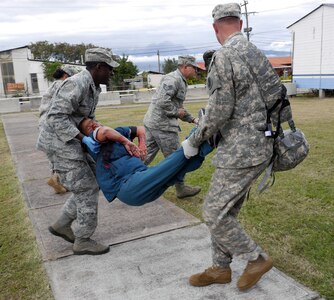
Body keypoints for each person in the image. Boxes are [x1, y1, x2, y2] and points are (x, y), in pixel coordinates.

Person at [182, 3, 292, 291]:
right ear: (240, 24)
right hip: (263, 143)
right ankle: (220, 268)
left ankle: (255, 258)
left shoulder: (224, 56)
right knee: (226, 210)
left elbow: (219, 111)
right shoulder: (256, 54)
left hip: (242, 150)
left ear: (216, 28)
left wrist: (193, 141)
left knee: (213, 212)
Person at [36, 47, 121, 255]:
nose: (112, 73)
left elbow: (79, 115)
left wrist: (96, 130)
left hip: (71, 140)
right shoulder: (77, 83)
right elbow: (55, 117)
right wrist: (83, 139)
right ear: (99, 67)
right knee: (87, 188)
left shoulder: (93, 86)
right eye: (110, 69)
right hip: (59, 142)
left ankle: (62, 224)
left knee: (96, 180)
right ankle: (83, 239)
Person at [79, 118, 213, 206]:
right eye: (90, 128)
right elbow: (104, 131)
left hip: (142, 177)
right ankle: (198, 132)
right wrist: (126, 141)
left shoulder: (118, 132)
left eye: (93, 121)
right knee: (169, 164)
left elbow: (140, 129)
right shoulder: (94, 144)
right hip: (128, 187)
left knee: (181, 167)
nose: (94, 125)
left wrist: (142, 143)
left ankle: (211, 141)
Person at [143, 55, 201, 199]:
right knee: (177, 158)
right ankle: (180, 189)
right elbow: (163, 102)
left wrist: (193, 119)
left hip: (154, 123)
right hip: (162, 126)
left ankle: (125, 178)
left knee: (146, 155)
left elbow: (178, 107)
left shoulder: (179, 79)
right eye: (194, 68)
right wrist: (176, 112)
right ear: (185, 66)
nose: (196, 71)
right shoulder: (173, 79)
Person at [39, 65, 80, 194]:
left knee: (54, 155)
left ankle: (58, 180)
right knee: (63, 153)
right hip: (54, 125)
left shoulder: (53, 85)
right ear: (66, 76)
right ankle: (58, 179)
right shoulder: (62, 86)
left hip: (45, 125)